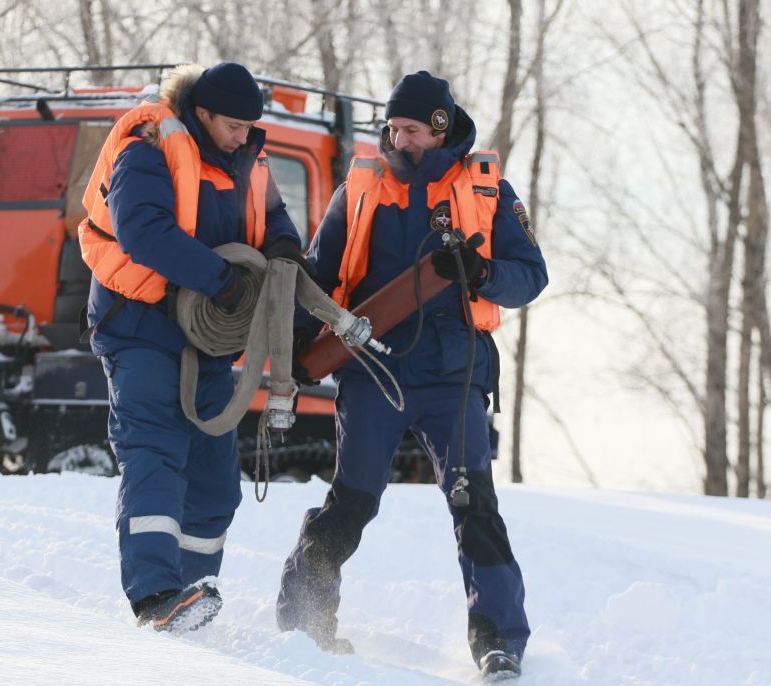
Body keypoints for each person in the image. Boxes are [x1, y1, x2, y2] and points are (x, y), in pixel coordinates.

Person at [275, 71, 547, 680]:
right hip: (372, 370)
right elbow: (319, 271)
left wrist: (480, 272)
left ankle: (499, 644)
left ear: (441, 128)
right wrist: (295, 336)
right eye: (393, 128)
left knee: (474, 505)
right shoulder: (362, 185)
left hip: (456, 375)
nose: (399, 139)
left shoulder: (490, 190)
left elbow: (531, 274)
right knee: (352, 502)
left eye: (412, 129)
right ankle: (303, 623)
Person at [78, 62, 307, 632]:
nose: (242, 135)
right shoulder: (148, 147)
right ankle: (156, 597)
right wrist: (221, 281)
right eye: (232, 125)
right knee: (155, 453)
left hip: (209, 338)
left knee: (213, 477)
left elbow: (274, 217)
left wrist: (283, 249)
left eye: (248, 126)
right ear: (201, 113)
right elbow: (143, 230)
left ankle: (194, 594)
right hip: (141, 325)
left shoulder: (248, 156)